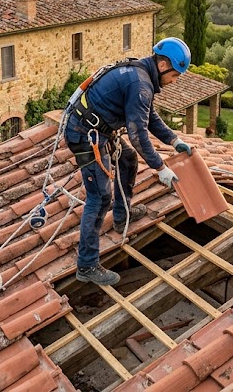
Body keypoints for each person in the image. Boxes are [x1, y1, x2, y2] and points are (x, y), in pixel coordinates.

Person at [65, 38, 194, 286]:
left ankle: (122, 216)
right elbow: (138, 134)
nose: (175, 80)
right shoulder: (141, 84)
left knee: (127, 160)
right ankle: (87, 265)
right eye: (176, 75)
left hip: (99, 130)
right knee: (99, 197)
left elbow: (148, 116)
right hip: (85, 135)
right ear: (164, 64)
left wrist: (174, 140)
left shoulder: (142, 74)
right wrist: (160, 167)